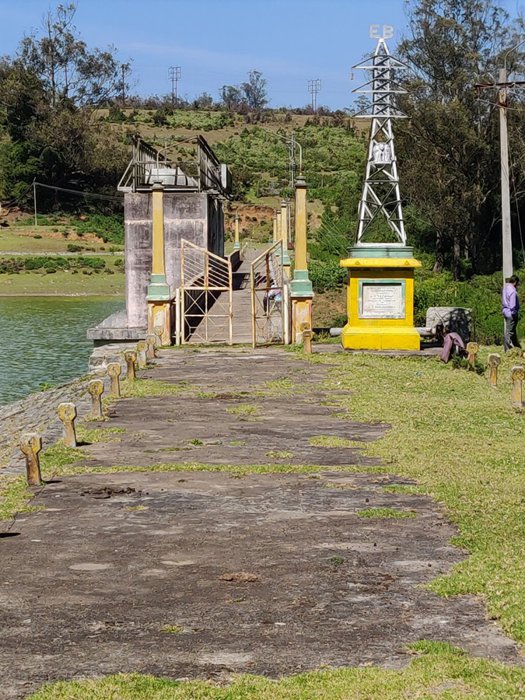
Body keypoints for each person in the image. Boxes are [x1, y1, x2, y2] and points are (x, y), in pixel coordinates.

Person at [502, 275, 520, 352]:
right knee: (509, 332)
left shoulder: (505, 288)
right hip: (511, 313)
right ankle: (508, 349)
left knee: (512, 331)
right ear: (515, 282)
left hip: (505, 311)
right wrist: (514, 312)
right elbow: (512, 305)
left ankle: (517, 347)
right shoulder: (512, 291)